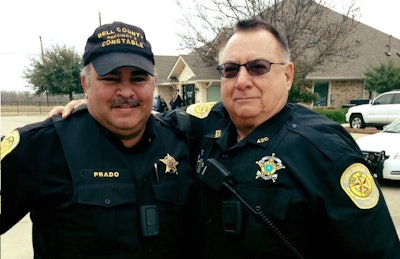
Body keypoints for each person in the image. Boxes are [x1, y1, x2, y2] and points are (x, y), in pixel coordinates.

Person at [47, 18, 400, 258]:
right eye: (230, 70)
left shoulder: (323, 151)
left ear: (288, 75)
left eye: (258, 67)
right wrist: (92, 108)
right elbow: (140, 116)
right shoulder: (205, 126)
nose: (242, 80)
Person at [0, 21, 199, 258]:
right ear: (86, 84)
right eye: (111, 78)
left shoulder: (184, 138)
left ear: (154, 84)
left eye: (138, 79)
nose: (126, 92)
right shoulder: (42, 147)